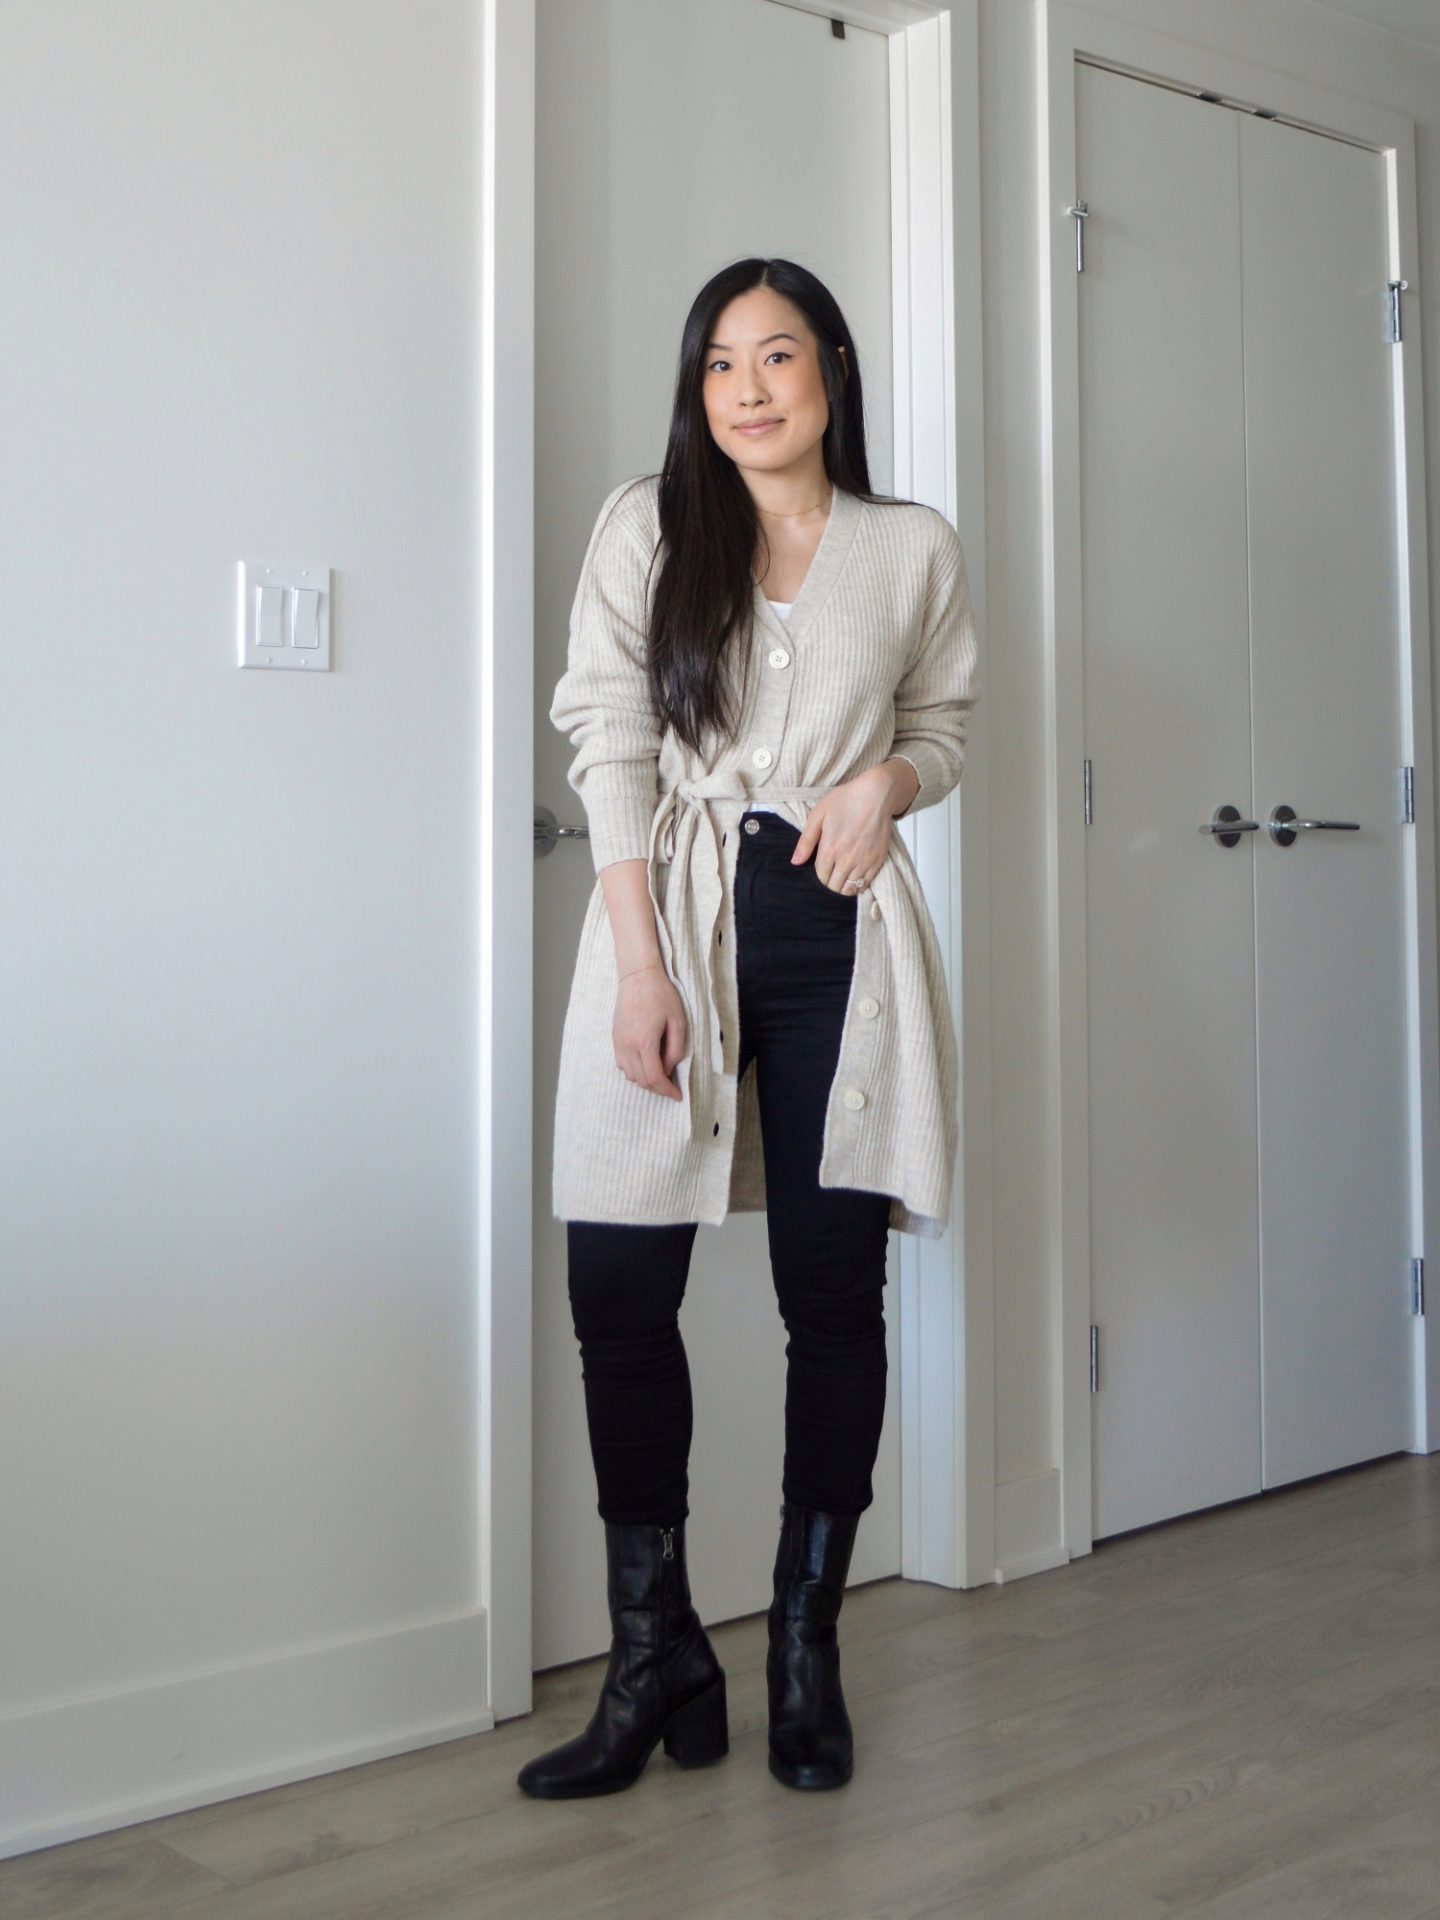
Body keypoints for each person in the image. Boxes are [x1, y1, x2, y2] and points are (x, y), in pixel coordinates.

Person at [519, 257, 980, 1800]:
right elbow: (609, 734)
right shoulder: (645, 526)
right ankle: (657, 1652)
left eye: (778, 356)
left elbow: (943, 725)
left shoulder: (908, 548)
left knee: (831, 1297)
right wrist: (639, 962)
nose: (749, 389)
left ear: (832, 372)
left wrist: (885, 788)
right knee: (618, 1280)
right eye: (720, 363)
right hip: (674, 928)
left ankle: (802, 1645)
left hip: (838, 933)